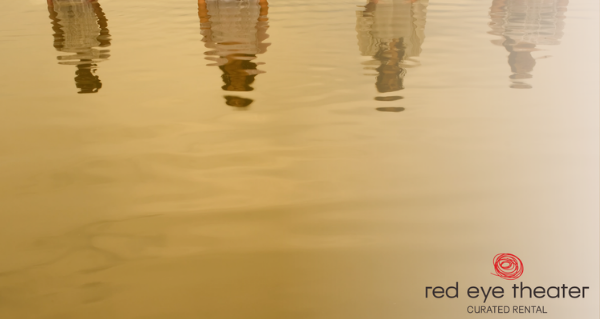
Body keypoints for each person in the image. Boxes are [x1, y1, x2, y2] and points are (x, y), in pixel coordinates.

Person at [198, 0, 270, 108]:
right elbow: (263, 18)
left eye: (234, 85)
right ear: (247, 78)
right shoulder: (259, 48)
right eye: (239, 84)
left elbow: (204, 21)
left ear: (227, 82)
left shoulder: (212, 49)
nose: (236, 79)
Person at [488, 0, 568, 89]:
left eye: (522, 71)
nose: (525, 68)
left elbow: (497, 7)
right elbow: (561, 10)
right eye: (526, 72)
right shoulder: (553, 39)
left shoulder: (500, 35)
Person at [356, 0, 428, 96]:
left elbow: (363, 25)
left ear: (380, 82)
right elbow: (420, 24)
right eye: (392, 85)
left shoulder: (368, 52)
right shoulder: (412, 52)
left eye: (386, 85)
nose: (390, 80)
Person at [47, 0, 111, 94]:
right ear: (93, 77)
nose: (83, 77)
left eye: (81, 80)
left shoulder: (63, 54)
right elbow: (102, 21)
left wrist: (50, 5)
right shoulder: (102, 52)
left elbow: (55, 25)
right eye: (86, 80)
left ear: (76, 78)